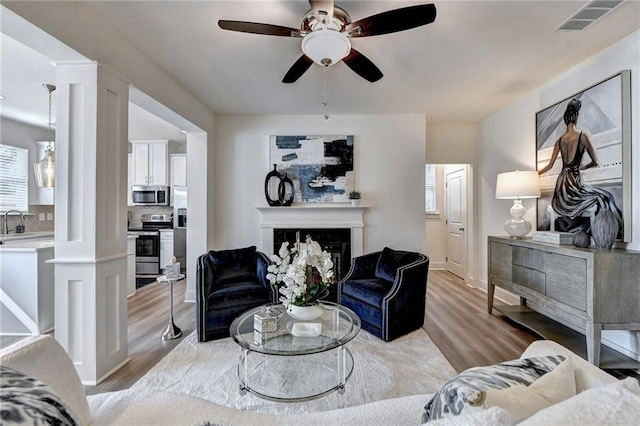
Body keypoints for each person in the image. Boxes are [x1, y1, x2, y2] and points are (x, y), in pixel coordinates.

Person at [538, 98, 622, 236]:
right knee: (606, 196)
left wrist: (535, 173)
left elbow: (549, 165)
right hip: (574, 184)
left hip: (561, 187)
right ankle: (605, 235)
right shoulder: (583, 135)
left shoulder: (560, 141)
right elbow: (595, 161)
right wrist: (583, 167)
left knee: (601, 196)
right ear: (576, 116)